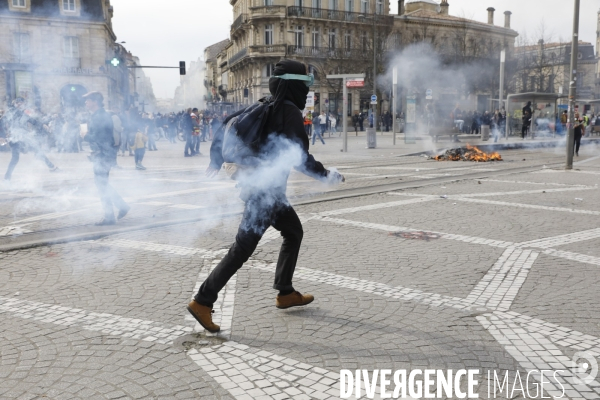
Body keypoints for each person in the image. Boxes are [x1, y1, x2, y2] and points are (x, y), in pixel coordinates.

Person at [186, 60, 345, 333]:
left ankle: (285, 292)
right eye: (303, 86)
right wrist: (326, 175)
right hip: (265, 194)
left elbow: (226, 125)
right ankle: (203, 300)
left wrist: (215, 159)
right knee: (242, 249)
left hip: (264, 190)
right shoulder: (289, 112)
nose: (306, 92)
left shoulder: (263, 105)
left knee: (293, 232)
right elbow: (299, 157)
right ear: (292, 85)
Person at [82, 92, 129, 225]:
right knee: (102, 184)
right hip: (102, 154)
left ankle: (110, 216)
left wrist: (85, 136)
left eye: (88, 100)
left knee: (101, 184)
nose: (86, 103)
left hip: (103, 155)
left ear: (95, 102)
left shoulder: (100, 116)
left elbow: (100, 138)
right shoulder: (99, 115)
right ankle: (120, 207)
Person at [2, 97, 58, 181]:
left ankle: (51, 166)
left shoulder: (23, 114)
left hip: (24, 138)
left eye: (21, 103)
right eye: (18, 103)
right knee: (15, 158)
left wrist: (44, 125)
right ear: (15, 104)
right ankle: (7, 177)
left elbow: (34, 121)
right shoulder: (11, 113)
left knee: (38, 151)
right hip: (15, 138)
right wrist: (2, 136)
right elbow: (1, 123)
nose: (20, 105)